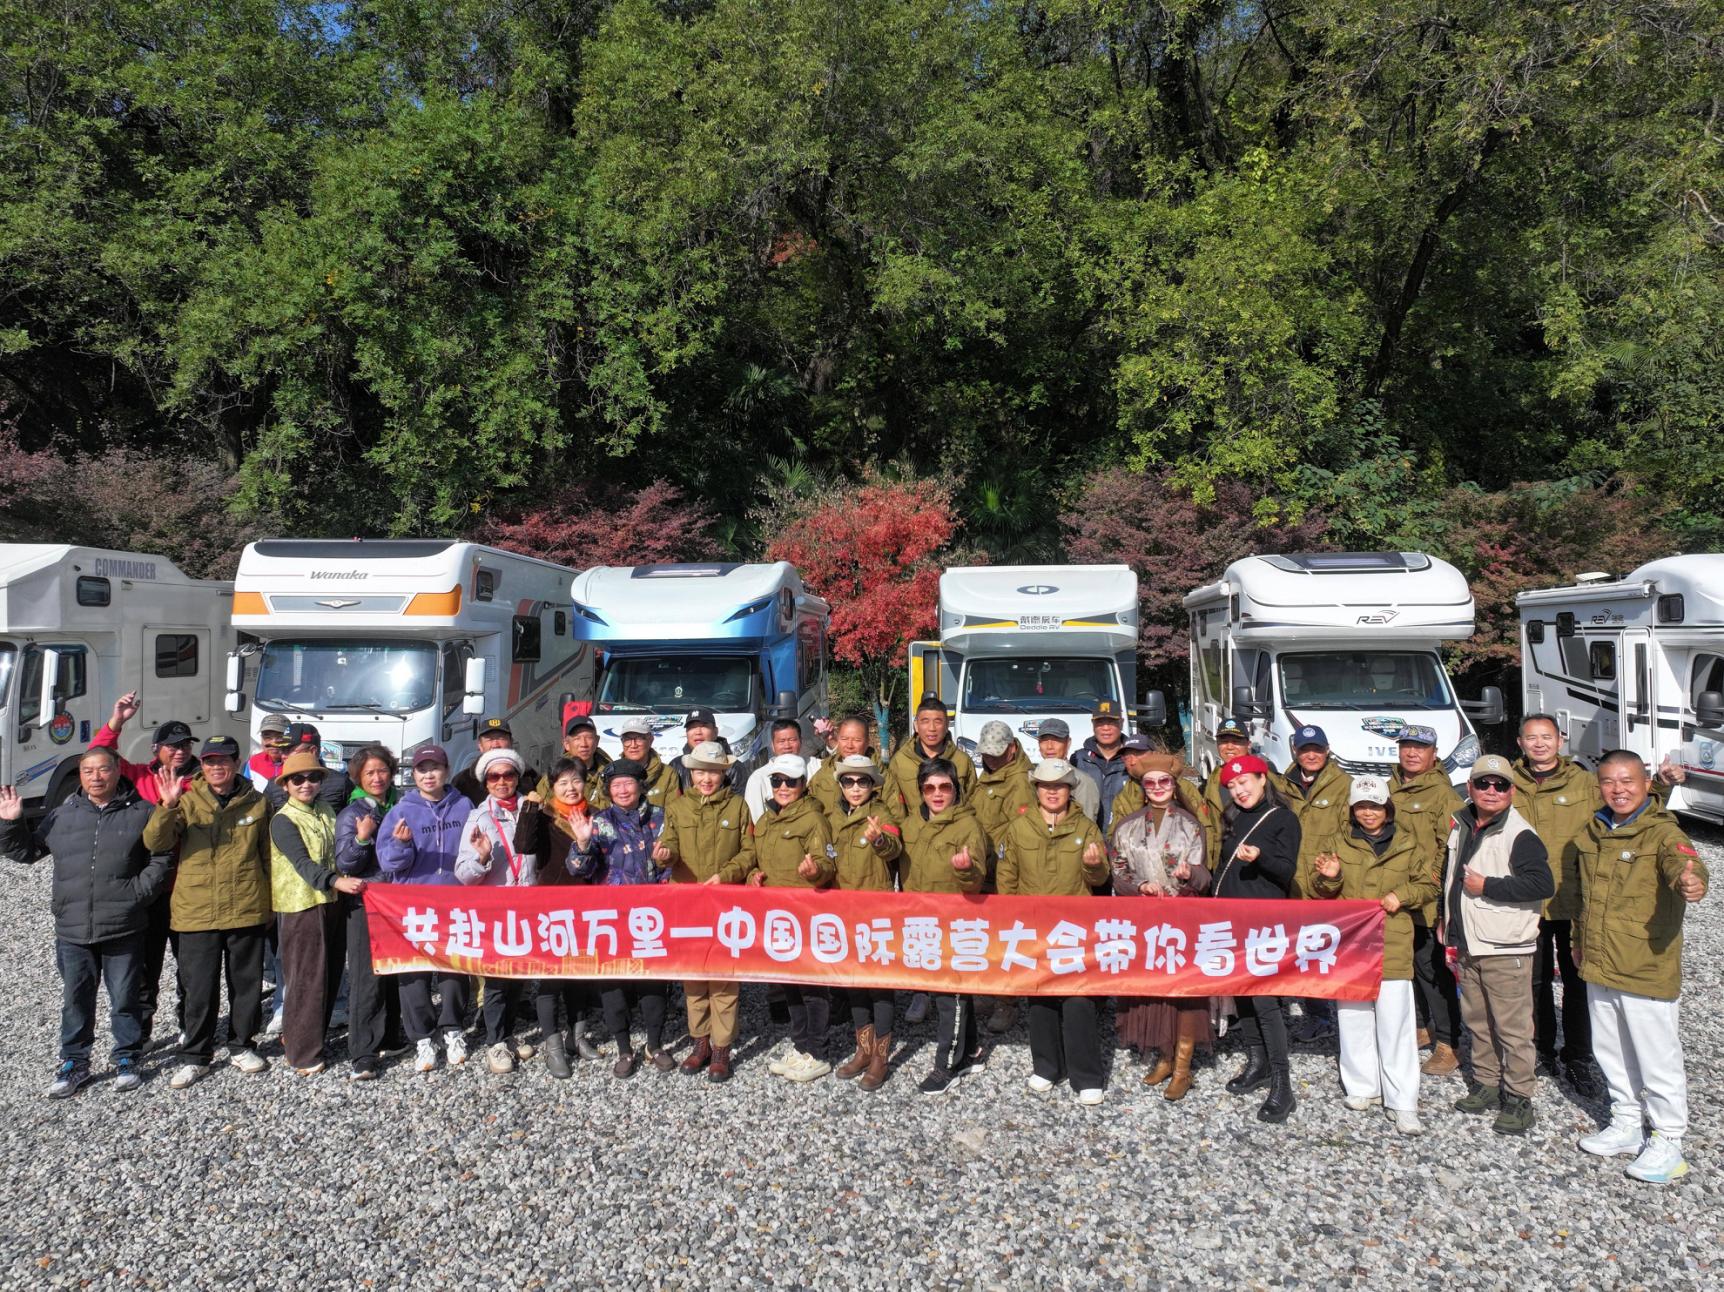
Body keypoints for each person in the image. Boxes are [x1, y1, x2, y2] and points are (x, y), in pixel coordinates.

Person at [1, 747, 170, 1097]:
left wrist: (137, 893)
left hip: (123, 924)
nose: (96, 777)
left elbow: (161, 857)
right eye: (88, 771)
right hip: (73, 929)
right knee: (75, 1000)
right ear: (80, 776)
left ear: (117, 771)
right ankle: (74, 1062)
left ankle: (127, 1056)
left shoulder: (142, 812)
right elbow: (28, 852)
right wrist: (11, 823)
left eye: (103, 769)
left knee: (125, 997)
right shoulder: (63, 815)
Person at [1573, 750, 1709, 1184]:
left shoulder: (1661, 831)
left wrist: (1692, 879)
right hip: (1599, 959)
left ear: (1647, 783)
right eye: (1610, 781)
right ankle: (1628, 1122)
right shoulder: (1592, 830)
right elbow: (1583, 898)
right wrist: (1579, 943)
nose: (1619, 789)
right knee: (1610, 1050)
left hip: (1644, 962)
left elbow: (1684, 861)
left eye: (1628, 780)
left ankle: (1669, 1140)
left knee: (1657, 1057)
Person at [143, 736, 273, 1089]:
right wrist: (166, 806)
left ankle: (241, 1045)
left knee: (245, 985)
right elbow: (156, 842)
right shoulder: (186, 801)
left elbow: (267, 857)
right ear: (203, 765)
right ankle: (195, 1055)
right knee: (198, 988)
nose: (217, 767)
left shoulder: (258, 803)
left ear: (236, 761)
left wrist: (271, 904)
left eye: (224, 760)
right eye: (210, 761)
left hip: (246, 905)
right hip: (196, 910)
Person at [1308, 775, 1435, 1136]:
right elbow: (1321, 891)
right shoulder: (1337, 842)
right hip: (1351, 943)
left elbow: (1428, 884)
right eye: (1361, 806)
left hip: (1393, 942)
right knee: (1353, 1018)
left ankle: (1403, 1101)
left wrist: (1404, 896)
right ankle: (1362, 1086)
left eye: (1375, 805)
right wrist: (1329, 877)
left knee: (1395, 1023)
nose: (1368, 813)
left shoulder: (1409, 844)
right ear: (1352, 809)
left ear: (1387, 807)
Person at [1440, 754, 1553, 1136]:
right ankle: (1487, 1084)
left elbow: (1542, 885)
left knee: (1512, 1028)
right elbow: (1453, 878)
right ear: (1470, 787)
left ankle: (1520, 1098)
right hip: (1471, 942)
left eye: (1500, 785)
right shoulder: (1462, 824)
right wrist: (1448, 921)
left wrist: (1488, 886)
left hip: (1506, 947)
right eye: (1484, 783)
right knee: (1478, 1021)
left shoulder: (1521, 835)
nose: (1491, 791)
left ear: (1512, 791)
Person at [88, 693, 198, 1047]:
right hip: (147, 889)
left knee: (191, 966)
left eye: (184, 745)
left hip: (187, 887)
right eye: (171, 746)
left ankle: (189, 1025)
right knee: (144, 967)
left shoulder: (202, 778)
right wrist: (117, 719)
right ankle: (142, 1032)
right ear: (156, 749)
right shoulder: (137, 777)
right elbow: (99, 757)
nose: (179, 751)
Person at [720, 754, 838, 1081]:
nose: (783, 788)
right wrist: (753, 875)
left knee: (812, 986)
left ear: (803, 784)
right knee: (789, 984)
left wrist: (815, 871)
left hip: (806, 911)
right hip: (777, 915)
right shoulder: (769, 819)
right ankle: (801, 1047)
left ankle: (819, 1052)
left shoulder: (813, 819)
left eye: (791, 781)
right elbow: (757, 859)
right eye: (777, 781)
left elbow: (826, 863)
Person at [998, 759, 1110, 1104]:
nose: (1052, 791)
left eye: (1059, 785)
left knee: (1078, 1000)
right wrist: (1013, 920)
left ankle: (1086, 1075)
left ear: (1069, 789)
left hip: (1074, 931)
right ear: (1036, 789)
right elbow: (1007, 878)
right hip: (1034, 928)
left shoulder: (1087, 828)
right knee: (1041, 999)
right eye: (1045, 786)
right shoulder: (1019, 828)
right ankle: (1046, 1067)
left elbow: (1100, 878)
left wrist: (1093, 867)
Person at [1510, 714, 1603, 1097]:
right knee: (1533, 980)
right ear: (1520, 743)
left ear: (1560, 740)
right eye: (1531, 738)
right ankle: (1542, 1047)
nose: (1540, 744)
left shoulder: (1584, 783)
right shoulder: (1507, 782)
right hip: (1526, 900)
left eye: (1546, 737)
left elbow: (1624, 806)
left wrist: (1661, 784)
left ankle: (1578, 1055)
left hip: (1572, 895)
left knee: (1578, 979)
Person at [1109, 754, 1211, 1100]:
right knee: (1154, 992)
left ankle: (1183, 1068)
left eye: (1163, 782)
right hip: (1146, 919)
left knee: (1183, 994)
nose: (1156, 788)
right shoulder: (1127, 826)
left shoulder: (1190, 825)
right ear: (1142, 787)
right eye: (1149, 783)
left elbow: (1205, 874)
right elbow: (1118, 870)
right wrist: (1137, 886)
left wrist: (1189, 875)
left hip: (1183, 917)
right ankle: (1165, 1057)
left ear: (1174, 785)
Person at [1212, 754, 1301, 1124]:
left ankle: (1283, 1083)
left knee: (1265, 1001)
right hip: (1232, 920)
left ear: (1263, 779)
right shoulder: (1233, 818)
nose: (1238, 790)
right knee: (1243, 994)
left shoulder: (1282, 818)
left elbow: (1286, 871)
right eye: (1231, 786)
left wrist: (1261, 857)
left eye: (1244, 781)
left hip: (1264, 923)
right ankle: (1257, 1061)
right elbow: (1222, 869)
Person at [653, 741, 750, 1082]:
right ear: (690, 773)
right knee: (693, 976)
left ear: (724, 773)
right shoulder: (677, 808)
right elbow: (671, 842)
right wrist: (665, 855)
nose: (706, 778)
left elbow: (749, 852)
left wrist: (726, 875)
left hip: (725, 903)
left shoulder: (738, 807)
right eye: (700, 772)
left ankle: (722, 1048)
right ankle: (700, 1043)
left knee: (723, 977)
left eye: (713, 772)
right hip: (689, 903)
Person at [377, 744, 475, 1072]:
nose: (428, 774)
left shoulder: (463, 805)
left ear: (446, 770)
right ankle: (422, 1037)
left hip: (454, 902)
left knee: (454, 968)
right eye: (422, 769)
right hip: (412, 905)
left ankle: (452, 1029)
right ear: (414, 775)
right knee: (413, 973)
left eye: (435, 767)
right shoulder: (401, 810)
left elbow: (474, 851)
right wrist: (402, 844)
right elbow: (388, 862)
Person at [573, 759, 674, 1077]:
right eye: (616, 785)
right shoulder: (599, 821)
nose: (622, 789)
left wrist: (664, 862)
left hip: (652, 915)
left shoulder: (660, 817)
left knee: (654, 983)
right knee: (613, 984)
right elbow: (580, 870)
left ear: (640, 785)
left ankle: (655, 1044)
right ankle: (624, 1048)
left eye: (628, 783)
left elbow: (672, 863)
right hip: (612, 917)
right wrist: (582, 843)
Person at [270, 746, 367, 1075]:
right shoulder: (283, 820)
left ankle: (315, 1037)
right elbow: (302, 864)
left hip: (332, 903)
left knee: (330, 973)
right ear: (285, 785)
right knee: (304, 979)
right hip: (301, 906)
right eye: (297, 779)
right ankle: (301, 1052)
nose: (306, 784)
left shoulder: (327, 809)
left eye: (313, 777)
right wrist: (335, 881)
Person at [896, 758, 988, 1092]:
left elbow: (976, 880)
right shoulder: (910, 824)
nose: (937, 794)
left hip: (955, 921)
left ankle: (946, 1065)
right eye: (930, 788)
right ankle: (973, 1050)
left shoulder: (968, 827)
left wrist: (965, 869)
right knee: (945, 991)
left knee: (952, 994)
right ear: (921, 790)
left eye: (944, 787)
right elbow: (893, 853)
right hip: (921, 921)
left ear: (955, 789)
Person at [455, 747, 543, 1075]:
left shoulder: (533, 809)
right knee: (495, 978)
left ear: (518, 778)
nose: (502, 781)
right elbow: (463, 874)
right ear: (486, 782)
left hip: (528, 905)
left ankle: (507, 1034)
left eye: (508, 775)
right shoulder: (478, 819)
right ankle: (495, 1043)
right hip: (496, 909)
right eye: (494, 776)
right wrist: (481, 858)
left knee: (517, 974)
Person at [822, 754, 904, 1090]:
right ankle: (863, 1048)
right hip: (843, 912)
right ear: (841, 785)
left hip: (876, 911)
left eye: (863, 781)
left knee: (879, 985)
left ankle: (881, 1056)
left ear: (873, 785)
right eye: (849, 781)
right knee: (854, 981)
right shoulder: (830, 816)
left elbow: (894, 847)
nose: (856, 788)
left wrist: (880, 840)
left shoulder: (881, 814)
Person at [1389, 725, 1466, 1077]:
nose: (1412, 753)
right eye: (1406, 746)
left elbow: (1449, 848)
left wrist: (1433, 885)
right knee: (1405, 966)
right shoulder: (1390, 789)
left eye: (1420, 748)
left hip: (1427, 898)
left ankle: (1449, 1043)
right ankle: (1422, 1026)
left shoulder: (1442, 794)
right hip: (1395, 896)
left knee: (1433, 971)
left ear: (1434, 754)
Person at [523, 757, 602, 1075]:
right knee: (551, 978)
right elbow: (523, 846)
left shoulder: (596, 816)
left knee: (581, 974)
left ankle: (577, 1037)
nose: (571, 788)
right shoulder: (543, 816)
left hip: (586, 904)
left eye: (577, 781)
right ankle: (553, 1045)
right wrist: (529, 810)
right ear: (552, 786)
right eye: (563, 782)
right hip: (551, 906)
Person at [333, 744, 406, 1081]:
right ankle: (362, 1051)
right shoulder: (352, 813)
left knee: (395, 970)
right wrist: (362, 838)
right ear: (358, 777)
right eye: (369, 773)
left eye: (382, 771)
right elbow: (345, 864)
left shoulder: (403, 804)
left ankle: (391, 1036)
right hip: (366, 901)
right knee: (367, 976)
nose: (378, 778)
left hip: (399, 900)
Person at [1279, 725, 1352, 1045]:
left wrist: (1335, 871)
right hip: (1289, 880)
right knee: (1294, 948)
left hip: (1324, 881)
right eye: (1306, 748)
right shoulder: (1282, 783)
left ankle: (1324, 1016)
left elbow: (1351, 833)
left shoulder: (1343, 785)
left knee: (1319, 950)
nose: (1311, 754)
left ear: (1327, 750)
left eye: (1317, 749)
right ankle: (1306, 1011)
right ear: (1296, 750)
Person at [971, 719, 1037, 1035]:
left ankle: (1006, 1002)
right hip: (984, 870)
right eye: (987, 754)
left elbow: (1017, 833)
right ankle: (988, 992)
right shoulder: (989, 776)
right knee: (985, 936)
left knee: (1006, 938)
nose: (991, 759)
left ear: (1012, 748)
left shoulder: (1020, 782)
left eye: (997, 753)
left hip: (1003, 873)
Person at [881, 695, 978, 816]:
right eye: (925, 721)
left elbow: (973, 804)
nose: (932, 728)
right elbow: (894, 807)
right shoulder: (900, 761)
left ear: (947, 724)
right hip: (914, 832)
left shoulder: (962, 761)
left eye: (938, 722)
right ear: (916, 725)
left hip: (955, 832)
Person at [1070, 701, 1130, 834]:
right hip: (1087, 838)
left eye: (1112, 722)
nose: (1106, 728)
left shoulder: (1134, 759)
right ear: (1093, 725)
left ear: (1121, 723)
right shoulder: (1078, 759)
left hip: (1124, 838)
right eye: (1100, 722)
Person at [807, 715, 883, 816]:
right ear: (838, 739)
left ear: (867, 742)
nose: (849, 746)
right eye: (844, 739)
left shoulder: (881, 774)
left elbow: (896, 815)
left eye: (857, 740)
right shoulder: (824, 772)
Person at [452, 716, 537, 805]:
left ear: (511, 742)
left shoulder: (531, 777)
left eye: (501, 738)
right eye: (489, 739)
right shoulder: (462, 782)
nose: (495, 745)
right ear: (480, 746)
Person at [743, 718, 808, 822]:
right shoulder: (758, 778)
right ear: (772, 746)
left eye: (792, 740)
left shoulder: (814, 765)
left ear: (801, 741)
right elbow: (754, 821)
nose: (787, 746)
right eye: (781, 741)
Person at [1036, 718, 1100, 821]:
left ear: (1068, 743)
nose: (1049, 746)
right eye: (1044, 740)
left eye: (1056, 740)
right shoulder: (1032, 777)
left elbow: (1086, 826)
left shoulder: (1082, 781)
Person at [668, 708, 742, 794]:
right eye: (692, 727)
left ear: (715, 732)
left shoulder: (734, 768)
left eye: (704, 726)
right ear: (686, 733)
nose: (698, 732)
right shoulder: (676, 765)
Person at [614, 716, 680, 811]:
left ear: (650, 740)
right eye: (627, 739)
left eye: (639, 739)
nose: (633, 745)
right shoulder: (611, 773)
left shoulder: (668, 774)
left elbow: (674, 812)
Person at [246, 714, 293, 791]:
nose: (273, 742)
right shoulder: (253, 762)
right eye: (267, 737)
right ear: (261, 739)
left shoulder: (299, 761)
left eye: (280, 737)